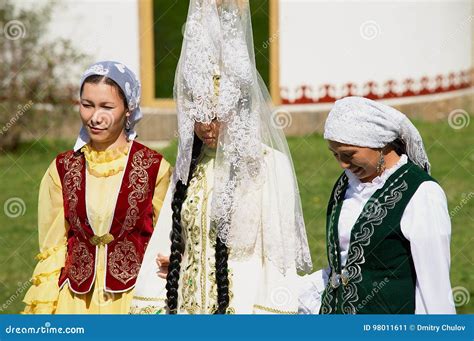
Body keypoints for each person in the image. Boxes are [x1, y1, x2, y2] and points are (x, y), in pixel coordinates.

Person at [130, 0, 312, 314]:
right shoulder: (190, 168)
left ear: (239, 108)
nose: (206, 126)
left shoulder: (268, 168)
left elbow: (278, 262)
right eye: (198, 115)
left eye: (217, 115)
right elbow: (170, 240)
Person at [22, 61, 171, 314]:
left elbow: (166, 242)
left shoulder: (154, 168)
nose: (95, 117)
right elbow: (53, 246)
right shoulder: (62, 168)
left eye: (106, 107)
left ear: (128, 109)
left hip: (134, 298)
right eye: (87, 105)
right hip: (76, 301)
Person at [299, 96, 455, 314]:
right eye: (335, 155)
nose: (342, 164)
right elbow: (344, 261)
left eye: (349, 154)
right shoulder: (346, 184)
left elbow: (434, 285)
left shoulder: (421, 193)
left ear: (380, 144)